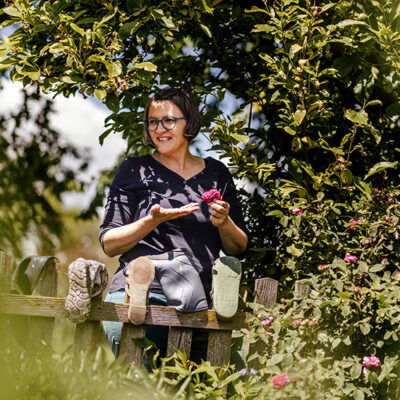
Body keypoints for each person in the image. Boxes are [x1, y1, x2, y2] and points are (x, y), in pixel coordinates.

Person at [100, 87, 249, 362]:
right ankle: (141, 287)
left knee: (212, 386)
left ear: (188, 123)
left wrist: (224, 221)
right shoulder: (134, 169)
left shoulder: (216, 173)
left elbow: (238, 246)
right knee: (139, 385)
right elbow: (109, 243)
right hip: (142, 296)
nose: (159, 128)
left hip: (200, 302)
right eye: (153, 122)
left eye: (168, 120)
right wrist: (150, 222)